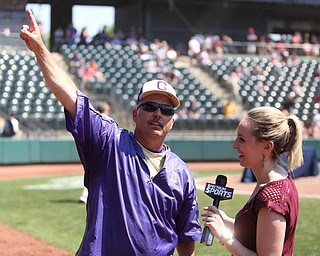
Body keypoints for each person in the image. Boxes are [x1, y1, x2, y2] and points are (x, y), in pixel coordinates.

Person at [20, 9, 201, 255]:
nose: (158, 114)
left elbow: (185, 238)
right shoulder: (109, 143)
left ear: (172, 121)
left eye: (166, 110)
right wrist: (41, 49)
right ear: (136, 114)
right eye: (150, 107)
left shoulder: (182, 173)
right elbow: (73, 98)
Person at [202, 106, 303, 255]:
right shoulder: (270, 183)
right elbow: (257, 232)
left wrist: (223, 234)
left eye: (242, 140)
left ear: (267, 147)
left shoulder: (273, 195)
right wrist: (225, 220)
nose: (234, 145)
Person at [79, 101, 111, 204]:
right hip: (104, 152)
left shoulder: (93, 119)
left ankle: (85, 195)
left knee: (92, 175)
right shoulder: (107, 120)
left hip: (91, 151)